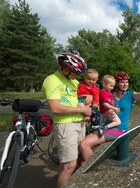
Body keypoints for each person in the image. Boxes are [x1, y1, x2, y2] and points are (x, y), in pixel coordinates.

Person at [79, 71, 140, 161]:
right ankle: (85, 165)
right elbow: (100, 108)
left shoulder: (130, 95)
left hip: (120, 130)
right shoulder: (109, 95)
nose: (125, 84)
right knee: (81, 147)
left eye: (127, 82)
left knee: (84, 145)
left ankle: (92, 171)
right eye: (122, 82)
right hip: (106, 127)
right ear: (117, 84)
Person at [42, 53, 92, 188]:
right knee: (69, 165)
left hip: (80, 123)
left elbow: (83, 94)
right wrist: (81, 110)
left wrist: (89, 96)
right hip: (66, 125)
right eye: (76, 73)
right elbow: (54, 108)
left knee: (79, 158)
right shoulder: (52, 80)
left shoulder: (73, 81)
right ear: (65, 70)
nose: (79, 77)